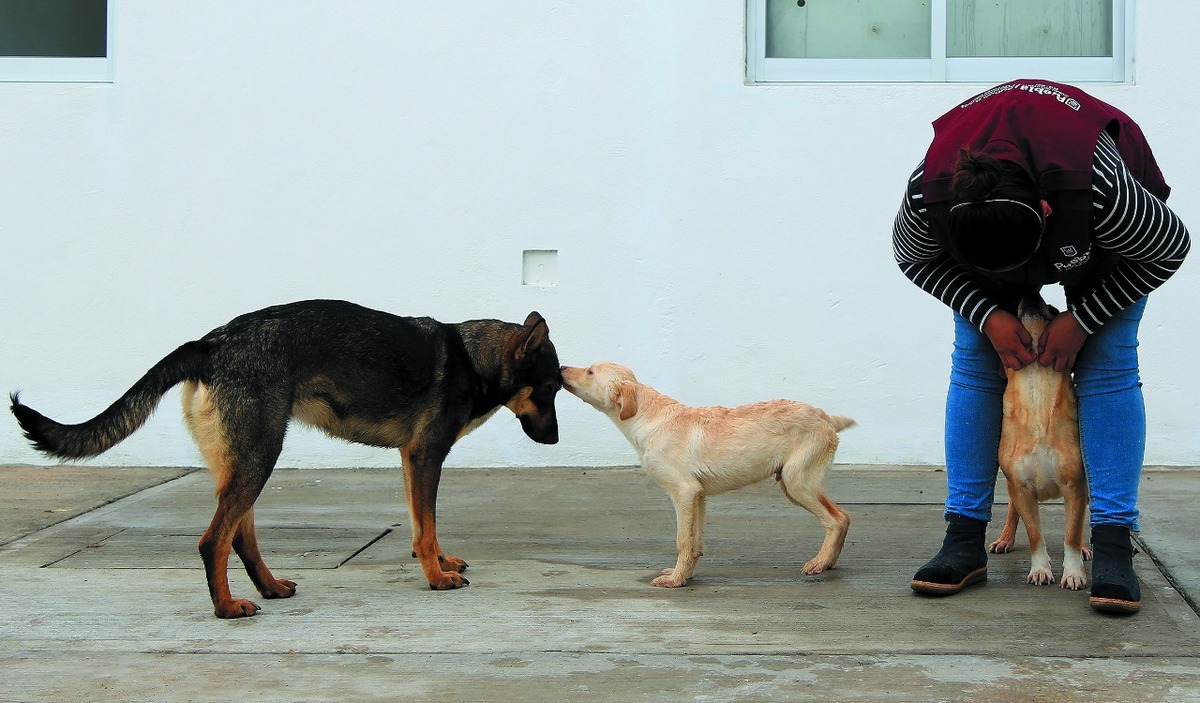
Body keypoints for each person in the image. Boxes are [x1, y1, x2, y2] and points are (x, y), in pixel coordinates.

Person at [892, 79, 1190, 614]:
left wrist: (1083, 318)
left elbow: (1168, 248)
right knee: (978, 367)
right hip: (994, 239)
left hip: (1106, 244)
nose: (1024, 280)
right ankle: (964, 538)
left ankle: (1115, 543)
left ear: (1046, 214)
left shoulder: (1099, 189)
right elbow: (914, 259)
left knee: (1108, 367)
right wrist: (986, 312)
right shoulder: (928, 196)